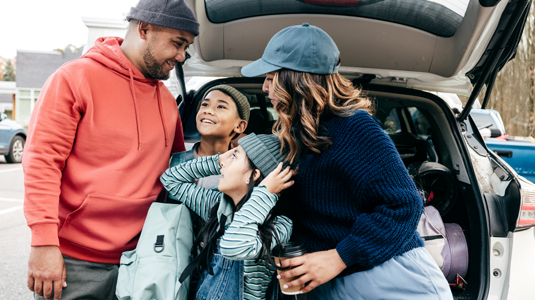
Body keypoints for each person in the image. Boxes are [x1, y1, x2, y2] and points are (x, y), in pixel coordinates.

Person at [241, 23, 453, 299]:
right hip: (333, 283)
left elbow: (405, 205)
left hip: (390, 278)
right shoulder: (299, 136)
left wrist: (339, 257)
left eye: (271, 78)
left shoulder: (354, 127)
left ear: (295, 80)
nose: (265, 87)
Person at [23, 1, 199, 299]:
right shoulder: (74, 79)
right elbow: (42, 163)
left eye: (187, 47)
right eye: (177, 43)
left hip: (144, 257)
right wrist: (43, 244)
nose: (181, 56)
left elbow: (176, 176)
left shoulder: (168, 103)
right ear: (144, 29)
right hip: (74, 263)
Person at [160, 133, 293, 300]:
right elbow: (170, 179)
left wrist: (265, 192)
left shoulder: (278, 225)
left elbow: (234, 247)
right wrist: (216, 161)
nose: (224, 162)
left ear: (255, 175)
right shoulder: (217, 205)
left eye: (234, 157)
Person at [169, 84, 250, 189]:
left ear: (239, 126)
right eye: (205, 104)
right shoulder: (175, 161)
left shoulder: (246, 166)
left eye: (221, 106)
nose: (207, 111)